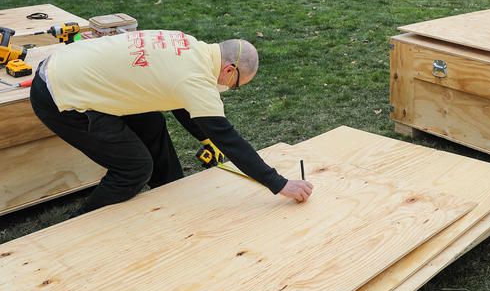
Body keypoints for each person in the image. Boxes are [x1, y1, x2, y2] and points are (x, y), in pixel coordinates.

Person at [29, 31, 314, 215]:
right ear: (229, 70)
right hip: (60, 96)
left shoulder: (192, 46)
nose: (231, 88)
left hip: (74, 68)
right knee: (134, 167)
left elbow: (180, 104)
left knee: (152, 121)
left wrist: (204, 139)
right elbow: (229, 139)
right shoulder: (196, 80)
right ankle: (82, 221)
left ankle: (171, 195)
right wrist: (279, 184)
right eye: (236, 84)